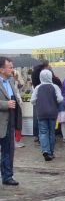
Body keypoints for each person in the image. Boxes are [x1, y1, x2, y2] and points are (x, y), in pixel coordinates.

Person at [30, 69, 62, 161]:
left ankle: (45, 150)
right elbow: (60, 99)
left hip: (41, 112)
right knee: (51, 132)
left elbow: (32, 101)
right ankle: (51, 152)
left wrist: (39, 102)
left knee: (43, 132)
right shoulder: (55, 86)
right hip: (52, 112)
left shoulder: (37, 87)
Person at [0, 57, 21, 185]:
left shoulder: (11, 81)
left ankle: (7, 176)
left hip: (10, 121)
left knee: (8, 150)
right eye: (10, 67)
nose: (12, 69)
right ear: (1, 69)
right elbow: (7, 102)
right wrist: (5, 104)